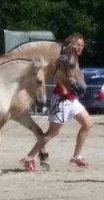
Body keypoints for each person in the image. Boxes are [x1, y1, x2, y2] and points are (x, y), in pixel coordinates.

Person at [21, 33, 93, 171]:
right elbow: (56, 75)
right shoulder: (64, 58)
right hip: (62, 99)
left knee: (88, 124)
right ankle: (29, 158)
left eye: (82, 45)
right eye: (77, 44)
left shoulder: (73, 59)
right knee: (52, 133)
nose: (80, 47)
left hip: (71, 99)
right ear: (71, 44)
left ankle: (76, 157)